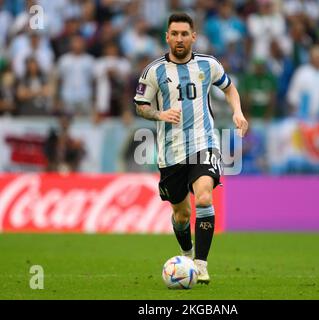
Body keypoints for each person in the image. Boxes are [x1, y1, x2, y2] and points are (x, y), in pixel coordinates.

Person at [133, 13, 248, 284]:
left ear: (193, 36)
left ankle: (201, 264)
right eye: (175, 34)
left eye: (185, 34)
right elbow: (140, 105)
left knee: (205, 197)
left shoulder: (208, 65)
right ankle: (187, 254)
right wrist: (160, 115)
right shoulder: (154, 71)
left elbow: (230, 89)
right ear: (167, 37)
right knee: (181, 214)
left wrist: (238, 112)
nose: (180, 39)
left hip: (204, 143)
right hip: (170, 152)